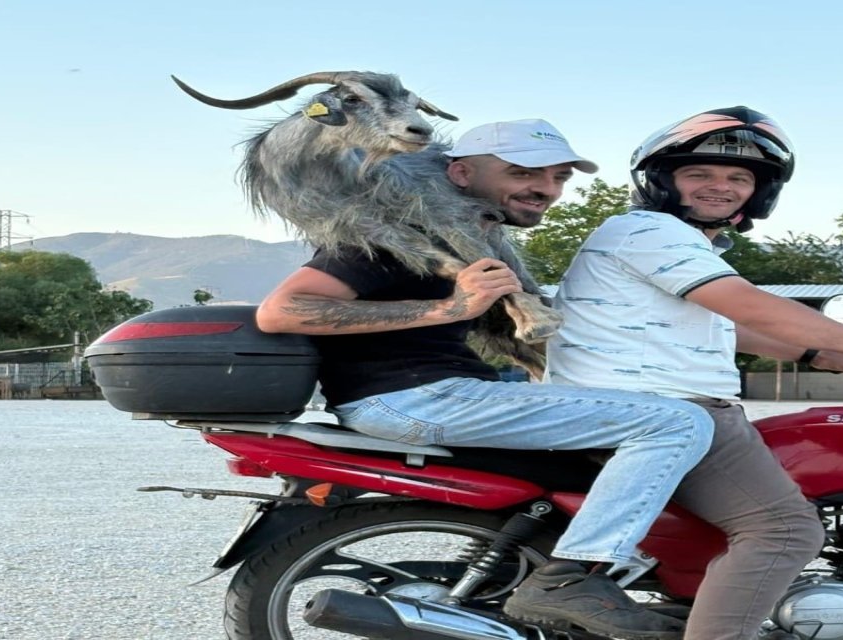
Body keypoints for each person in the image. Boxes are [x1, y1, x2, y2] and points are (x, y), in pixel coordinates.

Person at [544, 106, 843, 640]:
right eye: (700, 174)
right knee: (783, 530)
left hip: (662, 405)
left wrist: (821, 357)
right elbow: (747, 305)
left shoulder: (675, 242)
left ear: (759, 192)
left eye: (739, 178)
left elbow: (720, 324)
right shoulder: (649, 232)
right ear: (662, 182)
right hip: (666, 410)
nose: (722, 186)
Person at [256, 118, 713, 639]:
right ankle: (574, 577)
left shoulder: (472, 240)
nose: (546, 189)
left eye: (560, 177)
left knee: (640, 422)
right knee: (675, 424)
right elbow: (283, 309)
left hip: (447, 391)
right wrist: (448, 308)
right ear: (461, 172)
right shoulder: (390, 236)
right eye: (522, 173)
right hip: (411, 398)